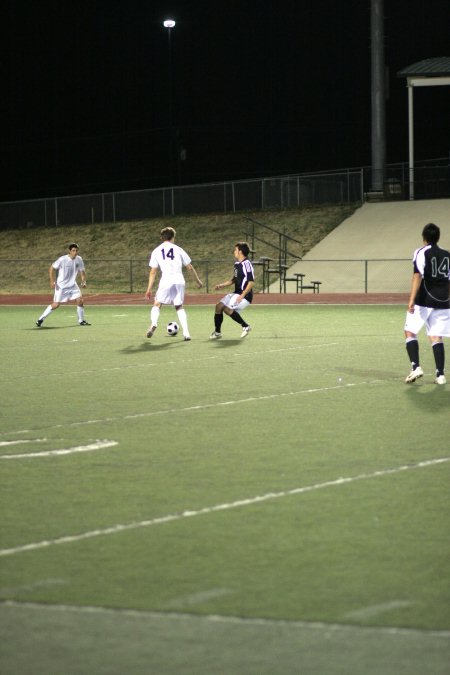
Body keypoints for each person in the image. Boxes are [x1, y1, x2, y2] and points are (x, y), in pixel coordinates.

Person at [404, 222, 450, 385]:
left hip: (424, 300)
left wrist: (411, 300)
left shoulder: (420, 252)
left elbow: (417, 275)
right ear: (438, 237)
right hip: (444, 300)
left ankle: (416, 367)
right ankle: (440, 375)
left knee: (409, 331)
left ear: (424, 238)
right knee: (436, 336)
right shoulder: (447, 254)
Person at [145, 226, 203, 341]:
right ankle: (186, 333)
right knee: (179, 306)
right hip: (179, 280)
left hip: (166, 280)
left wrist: (149, 289)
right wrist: (198, 281)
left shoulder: (156, 251)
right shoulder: (178, 249)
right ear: (173, 237)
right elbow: (190, 267)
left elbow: (153, 271)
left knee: (157, 304)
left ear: (162, 238)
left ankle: (154, 324)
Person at [36, 243, 90, 327]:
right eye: (73, 251)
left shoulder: (79, 259)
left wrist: (83, 281)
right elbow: (51, 268)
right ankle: (40, 319)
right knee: (56, 305)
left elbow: (82, 271)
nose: (75, 252)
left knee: (80, 301)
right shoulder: (62, 259)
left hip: (72, 285)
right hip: (61, 286)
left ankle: (81, 320)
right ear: (69, 251)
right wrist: (52, 281)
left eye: (76, 250)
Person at [210, 241, 255, 339]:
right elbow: (233, 280)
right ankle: (217, 333)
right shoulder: (237, 264)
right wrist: (222, 285)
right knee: (219, 306)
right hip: (236, 293)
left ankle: (245, 326)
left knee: (227, 309)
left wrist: (242, 295)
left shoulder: (247, 264)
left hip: (245, 295)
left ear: (240, 252)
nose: (234, 252)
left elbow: (251, 282)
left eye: (235, 250)